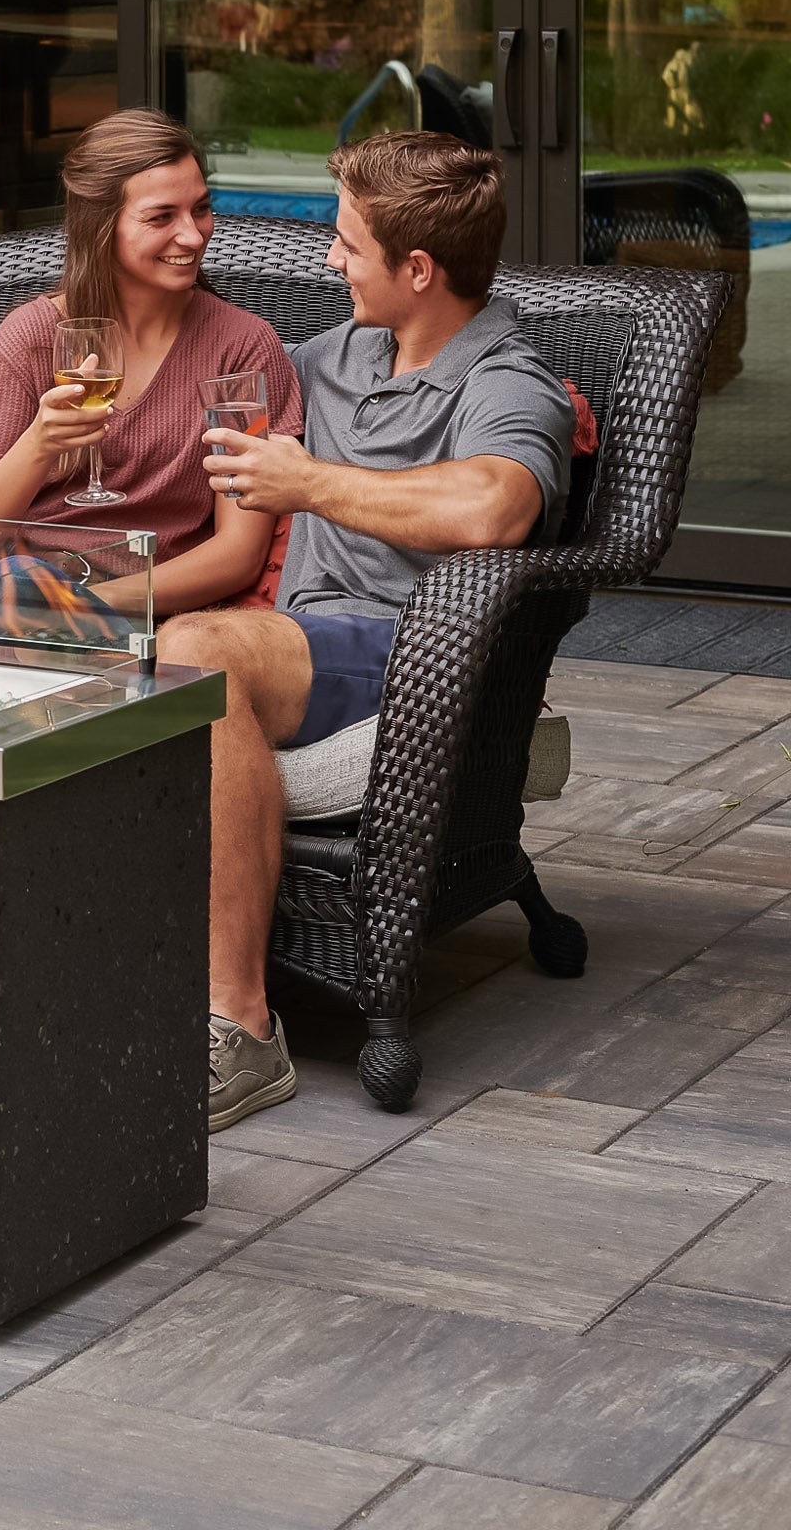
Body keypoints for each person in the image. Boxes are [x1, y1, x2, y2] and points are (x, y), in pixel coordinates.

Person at [160, 129, 575, 1132]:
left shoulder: (506, 381)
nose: (329, 261)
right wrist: (3, 359)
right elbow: (176, 372)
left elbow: (492, 507)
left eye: (346, 244)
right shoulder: (335, 356)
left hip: (410, 658)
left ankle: (242, 1026)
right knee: (101, 641)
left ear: (418, 269)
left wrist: (308, 482)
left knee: (196, 649)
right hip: (304, 649)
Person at [0, 108, 300, 616]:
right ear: (100, 226)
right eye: (161, 217)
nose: (194, 236)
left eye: (200, 209)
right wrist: (40, 443)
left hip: (141, 613)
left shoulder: (238, 347)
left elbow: (237, 555)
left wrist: (83, 611)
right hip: (11, 596)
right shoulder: (33, 337)